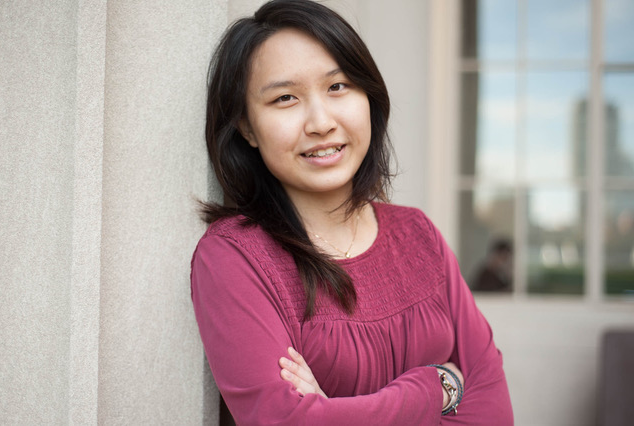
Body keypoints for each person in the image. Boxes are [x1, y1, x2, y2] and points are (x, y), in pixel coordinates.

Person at [190, 0, 513, 424]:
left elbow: (493, 412)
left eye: (338, 86)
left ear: (368, 95)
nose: (321, 122)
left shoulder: (418, 234)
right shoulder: (235, 259)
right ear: (247, 126)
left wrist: (334, 410)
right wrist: (436, 387)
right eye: (285, 98)